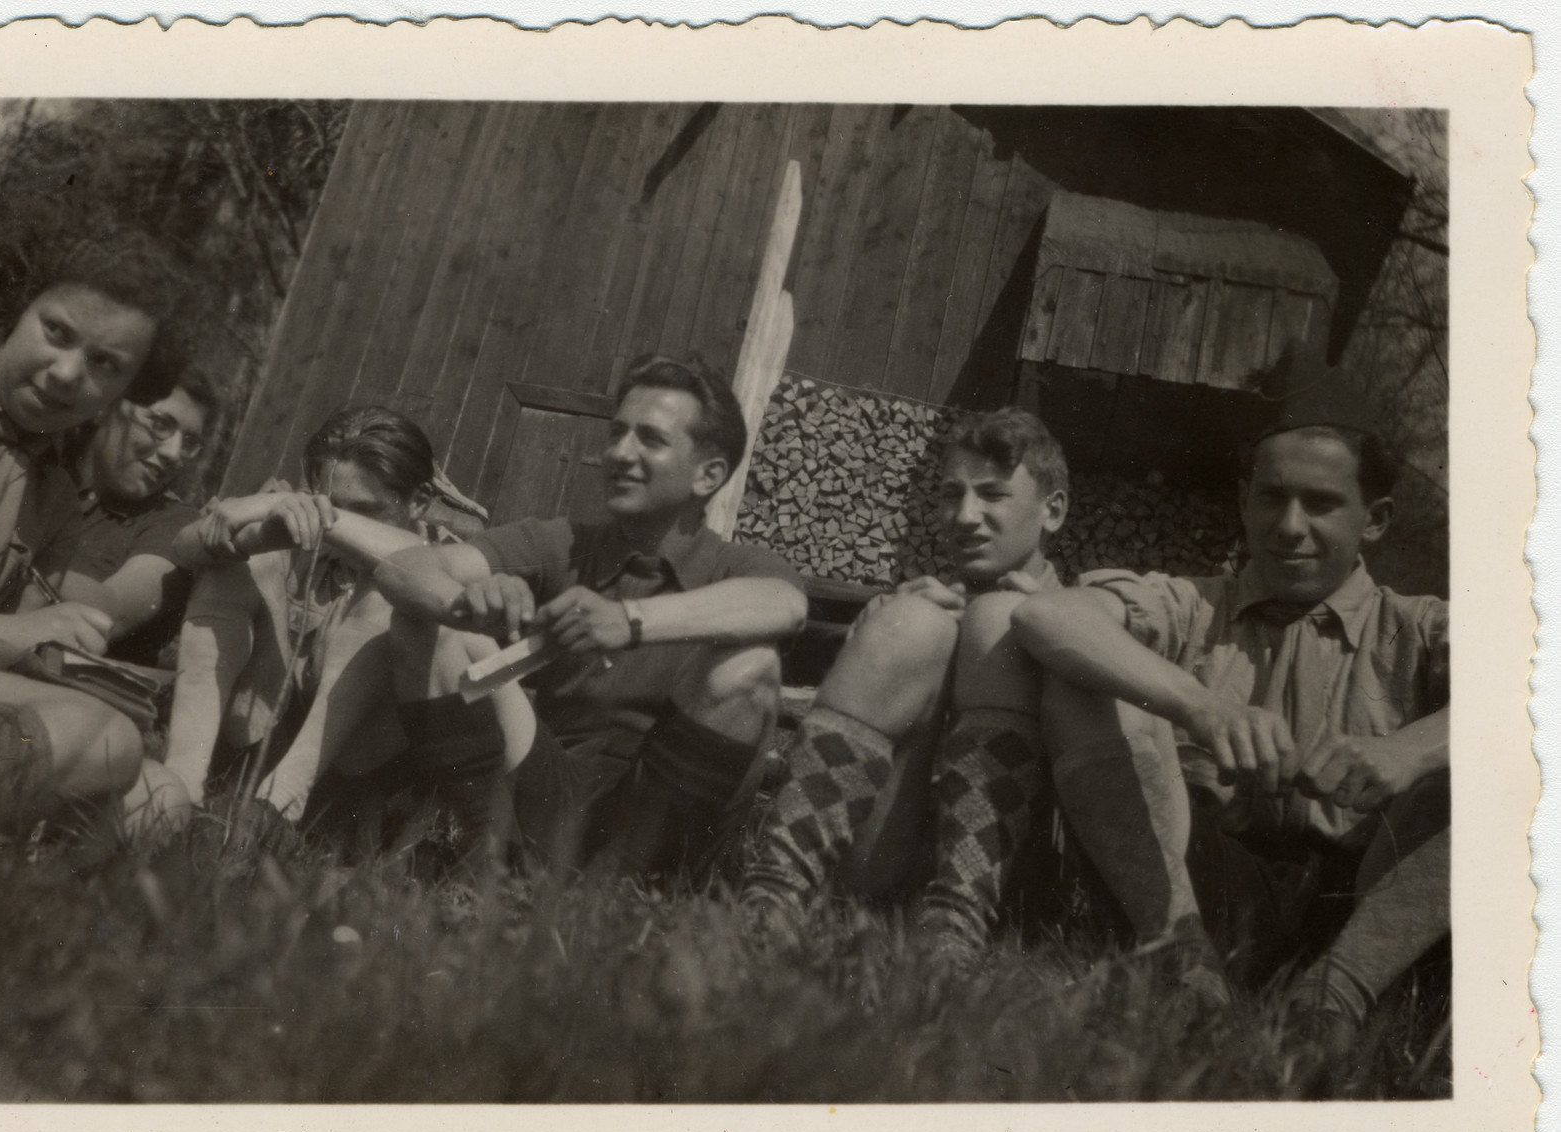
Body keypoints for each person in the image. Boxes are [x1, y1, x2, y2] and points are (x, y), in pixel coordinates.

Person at [1009, 371, 1448, 1055]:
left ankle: (1334, 1001)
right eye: (1271, 497)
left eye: (1322, 503)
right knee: (1081, 682)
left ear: (1376, 520)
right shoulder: (1192, 603)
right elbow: (1046, 613)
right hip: (1206, 887)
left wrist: (1413, 748)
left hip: (1374, 907)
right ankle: (1184, 968)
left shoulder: (1418, 628)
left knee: (1502, 752)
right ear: (1243, 502)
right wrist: (1201, 707)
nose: (1289, 526)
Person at [314, 353, 808, 881]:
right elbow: (410, 567)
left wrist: (629, 620)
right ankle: (486, 854)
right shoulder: (564, 542)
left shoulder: (737, 565)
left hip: (664, 814)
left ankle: (619, 889)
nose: (620, 453)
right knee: (421, 618)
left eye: (651, 439)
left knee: (751, 665)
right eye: (617, 433)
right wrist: (469, 603)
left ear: (708, 475)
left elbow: (785, 605)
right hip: (555, 791)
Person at [740, 408, 1077, 965]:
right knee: (911, 620)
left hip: (1014, 876)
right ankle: (771, 899)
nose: (965, 516)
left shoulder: (1085, 612)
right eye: (951, 494)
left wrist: (1053, 634)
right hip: (887, 863)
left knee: (1001, 623)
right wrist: (883, 631)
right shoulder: (925, 605)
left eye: (992, 495)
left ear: (1053, 511)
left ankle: (954, 935)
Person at [163, 406, 524, 851]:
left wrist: (271, 508)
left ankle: (278, 806)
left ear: (419, 502)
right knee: (234, 564)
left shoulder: (449, 551)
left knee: (394, 588)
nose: (339, 523)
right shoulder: (301, 508)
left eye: (366, 511)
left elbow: (417, 573)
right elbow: (185, 547)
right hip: (262, 730)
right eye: (333, 505)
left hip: (359, 770)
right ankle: (180, 786)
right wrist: (264, 526)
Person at [0, 229, 191, 833]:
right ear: (19, 309)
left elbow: (55, 619)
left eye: (104, 365)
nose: (67, 373)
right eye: (57, 332)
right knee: (103, 739)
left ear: (125, 391)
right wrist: (16, 632)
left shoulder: (56, 489)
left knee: (160, 801)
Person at [14, 369, 216, 666]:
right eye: (160, 424)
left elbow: (109, 613)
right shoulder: (32, 466)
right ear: (106, 408)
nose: (174, 454)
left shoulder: (174, 522)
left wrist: (4, 552)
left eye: (188, 442)